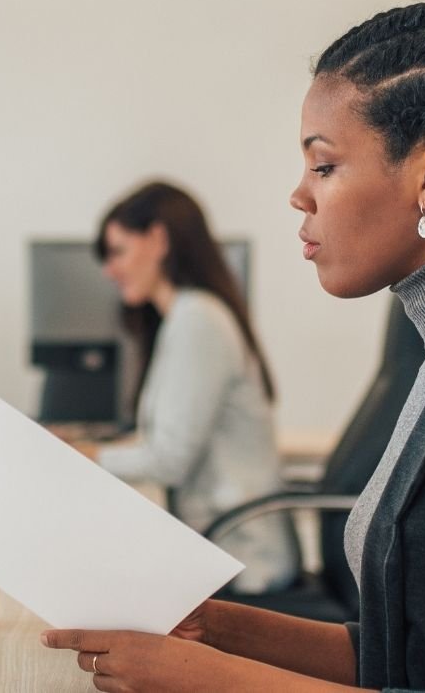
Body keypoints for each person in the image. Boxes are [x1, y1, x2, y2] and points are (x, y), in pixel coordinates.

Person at [43, 1, 425, 692]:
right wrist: (217, 629)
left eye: (324, 166)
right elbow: (419, 662)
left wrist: (207, 680)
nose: (298, 196)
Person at [90, 180, 299, 595]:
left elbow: (169, 461)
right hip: (216, 545)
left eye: (118, 252)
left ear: (157, 239)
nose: (109, 271)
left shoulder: (198, 319)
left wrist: (87, 456)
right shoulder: (185, 317)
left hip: (241, 560)